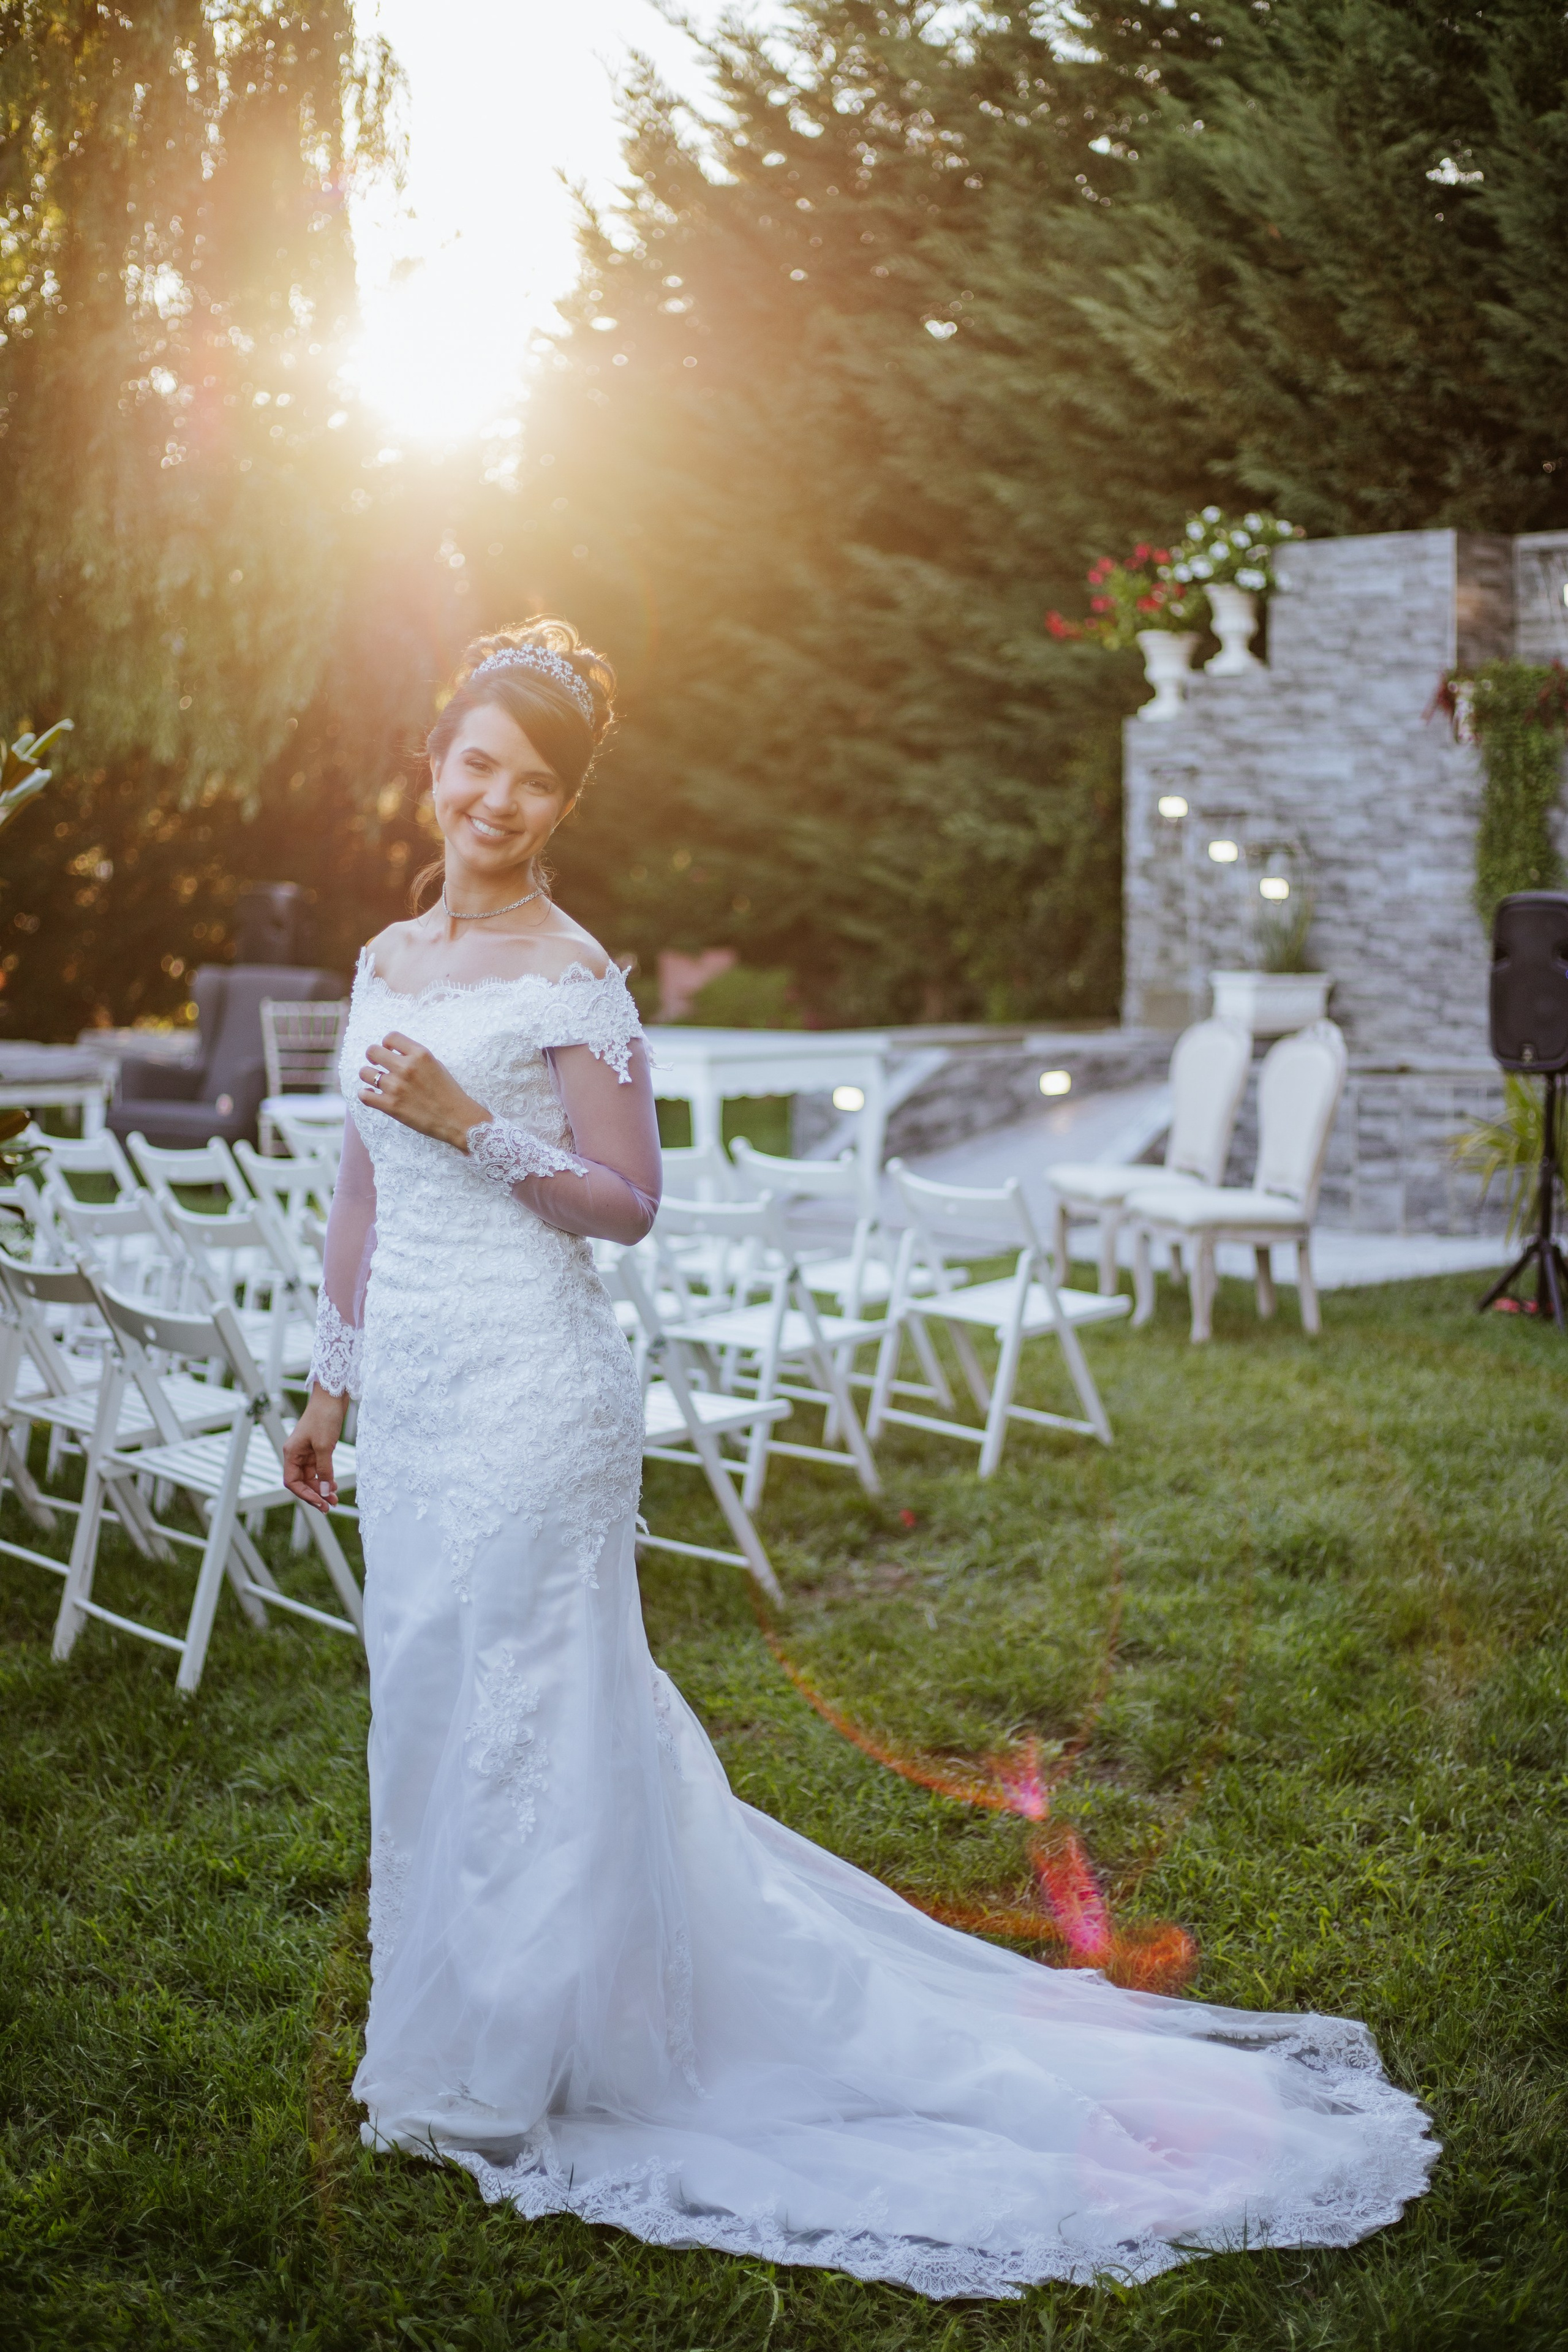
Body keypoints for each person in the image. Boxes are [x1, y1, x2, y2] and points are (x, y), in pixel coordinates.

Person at [282, 622, 1436, 2297]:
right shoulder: (389, 956)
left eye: (536, 785)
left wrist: (478, 1122)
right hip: (425, 1400)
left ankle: (527, 2058)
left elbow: (626, 1201)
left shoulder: (577, 973)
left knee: (537, 1697)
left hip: (540, 1392)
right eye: (477, 764)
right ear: (436, 758)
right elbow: (361, 1197)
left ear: (564, 807)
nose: (498, 802)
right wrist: (331, 1389)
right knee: (432, 1689)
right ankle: (451, 2026)